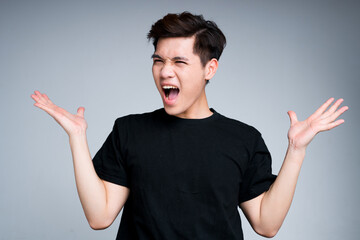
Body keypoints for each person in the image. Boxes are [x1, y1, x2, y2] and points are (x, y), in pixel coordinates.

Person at [31, 12, 348, 240]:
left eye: (179, 62)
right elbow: (99, 218)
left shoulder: (244, 139)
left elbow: (267, 225)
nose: (165, 72)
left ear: (210, 68)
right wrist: (77, 137)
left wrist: (296, 150)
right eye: (158, 60)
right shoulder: (129, 131)